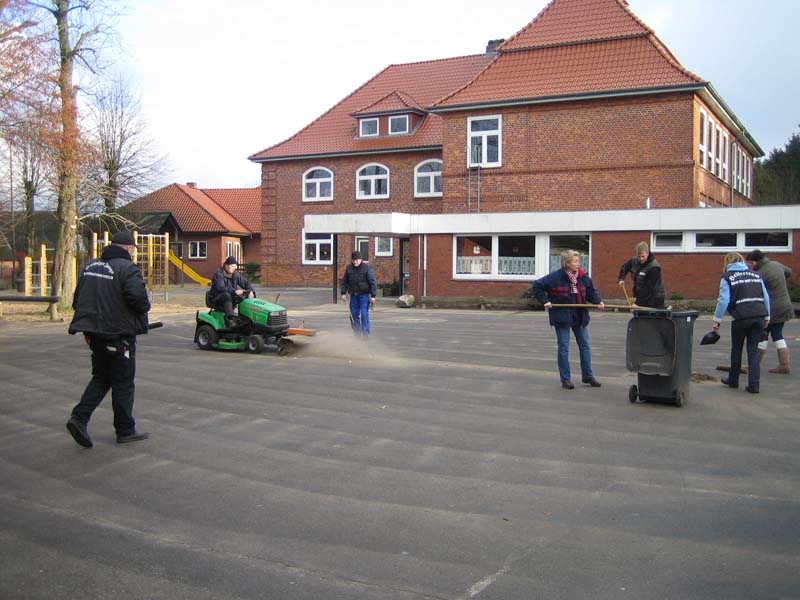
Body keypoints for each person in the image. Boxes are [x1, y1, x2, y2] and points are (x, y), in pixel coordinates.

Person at [66, 230, 152, 447]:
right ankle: (125, 430)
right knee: (123, 383)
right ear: (129, 248)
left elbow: (78, 301)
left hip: (94, 335)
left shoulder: (90, 267)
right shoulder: (128, 269)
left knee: (102, 378)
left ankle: (79, 417)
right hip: (118, 335)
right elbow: (139, 300)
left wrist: (89, 328)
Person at [532, 249, 604, 389]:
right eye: (575, 261)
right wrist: (545, 301)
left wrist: (598, 301)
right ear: (566, 263)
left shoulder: (583, 277)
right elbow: (537, 285)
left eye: (578, 261)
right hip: (562, 315)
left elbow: (591, 291)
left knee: (585, 346)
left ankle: (588, 376)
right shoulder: (555, 277)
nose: (578, 264)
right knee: (564, 347)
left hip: (579, 315)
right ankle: (566, 379)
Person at [712, 252, 771, 394]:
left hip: (740, 318)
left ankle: (733, 380)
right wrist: (767, 315)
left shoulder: (727, 277)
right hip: (758, 316)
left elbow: (723, 300)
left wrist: (717, 320)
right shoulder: (756, 275)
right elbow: (766, 296)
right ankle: (754, 385)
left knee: (737, 349)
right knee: (753, 351)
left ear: (727, 263)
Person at [746, 249, 793, 374]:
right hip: (785, 305)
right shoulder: (777, 265)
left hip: (772, 308)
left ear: (757, 261)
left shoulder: (761, 273)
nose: (749, 266)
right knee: (777, 333)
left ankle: (754, 364)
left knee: (763, 333)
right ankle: (784, 364)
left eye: (751, 263)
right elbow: (789, 273)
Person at [209, 256, 255, 327]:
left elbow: (246, 283)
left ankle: (246, 318)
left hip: (230, 295)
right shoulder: (218, 274)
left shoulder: (235, 274)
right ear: (226, 265)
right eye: (232, 266)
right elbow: (221, 288)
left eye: (235, 266)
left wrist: (251, 291)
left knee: (244, 295)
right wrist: (234, 291)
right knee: (226, 295)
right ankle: (229, 319)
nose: (234, 268)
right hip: (217, 297)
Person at [618, 241, 666, 308]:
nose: (641, 259)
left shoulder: (654, 267)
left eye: (643, 256)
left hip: (655, 298)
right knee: (639, 317)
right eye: (639, 256)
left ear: (647, 253)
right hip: (641, 296)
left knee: (653, 318)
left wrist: (638, 303)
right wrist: (621, 279)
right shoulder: (634, 261)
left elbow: (648, 288)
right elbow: (624, 267)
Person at [341, 250, 377, 337]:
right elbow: (344, 281)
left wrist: (373, 296)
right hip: (354, 295)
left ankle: (365, 333)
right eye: (353, 260)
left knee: (364, 314)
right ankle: (357, 333)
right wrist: (343, 293)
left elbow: (372, 281)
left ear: (361, 259)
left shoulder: (366, 268)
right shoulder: (349, 268)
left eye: (357, 260)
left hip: (364, 295)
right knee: (354, 314)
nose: (355, 262)